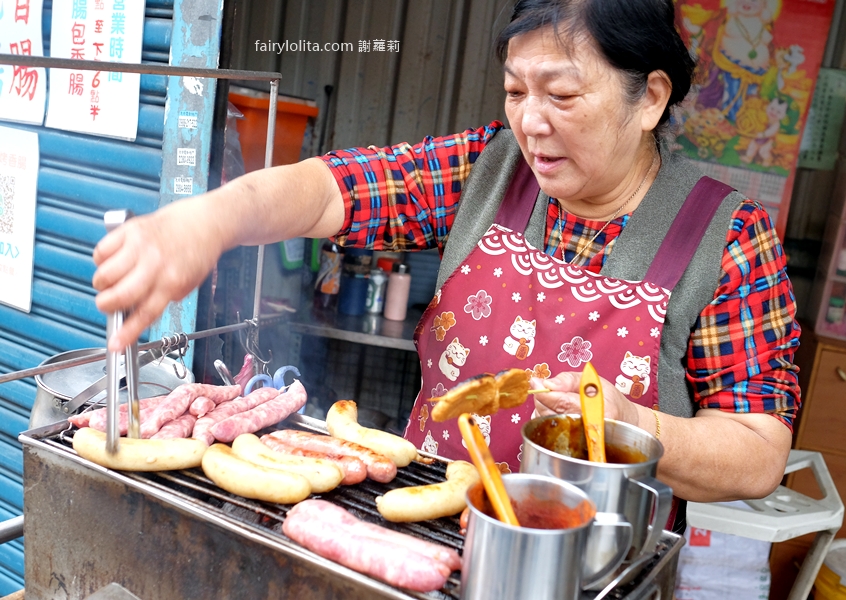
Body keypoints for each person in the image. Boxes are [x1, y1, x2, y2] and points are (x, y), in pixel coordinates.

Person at [93, 0, 799, 523]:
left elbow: (757, 450)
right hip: (424, 531)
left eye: (561, 95)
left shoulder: (726, 236)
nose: (531, 123)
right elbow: (333, 189)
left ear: (650, 97)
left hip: (591, 567)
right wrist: (208, 220)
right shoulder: (489, 170)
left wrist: (628, 426)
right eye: (516, 91)